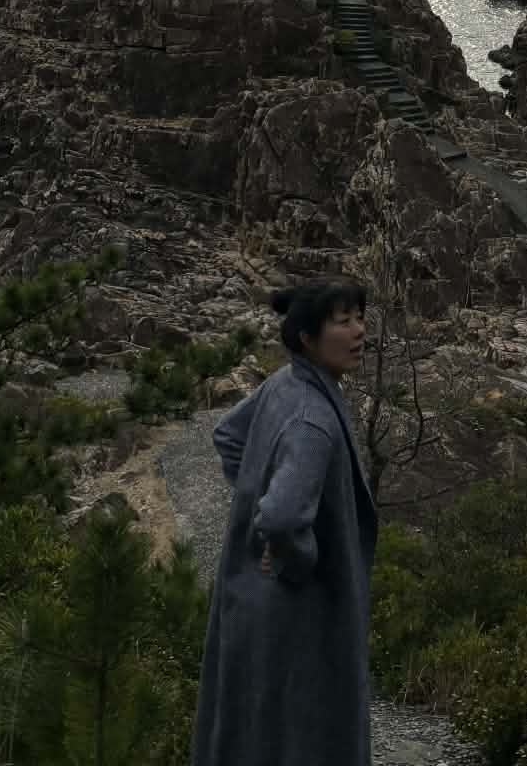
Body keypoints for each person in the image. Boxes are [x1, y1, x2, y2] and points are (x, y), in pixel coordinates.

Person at [192, 276, 378, 766]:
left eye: (360, 317)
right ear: (307, 338)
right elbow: (280, 516)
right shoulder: (312, 423)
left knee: (248, 729)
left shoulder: (285, 383)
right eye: (343, 321)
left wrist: (253, 487)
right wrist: (299, 560)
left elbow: (229, 436)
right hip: (298, 614)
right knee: (304, 737)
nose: (359, 330)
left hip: (250, 599)